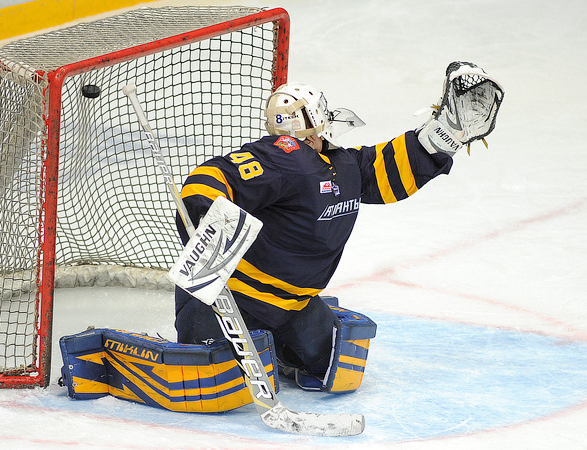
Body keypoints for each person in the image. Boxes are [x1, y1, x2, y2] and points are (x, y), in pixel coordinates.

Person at [174, 61, 504, 388]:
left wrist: (444, 134)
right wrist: (203, 211)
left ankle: (277, 348)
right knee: (214, 379)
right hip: (228, 301)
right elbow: (219, 173)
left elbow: (388, 167)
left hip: (293, 305)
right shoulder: (280, 157)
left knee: (336, 366)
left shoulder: (343, 165)